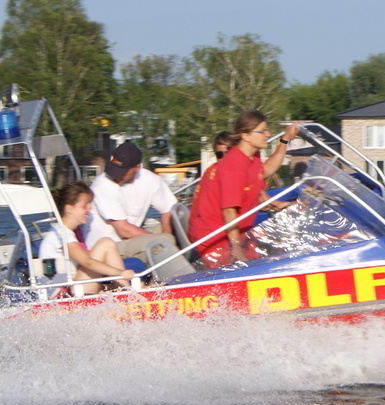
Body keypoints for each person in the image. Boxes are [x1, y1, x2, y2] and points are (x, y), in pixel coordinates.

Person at [188, 110, 298, 268]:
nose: (268, 134)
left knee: (276, 253)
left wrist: (285, 139)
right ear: (245, 136)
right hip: (217, 240)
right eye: (262, 131)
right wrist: (237, 248)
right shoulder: (233, 165)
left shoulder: (251, 160)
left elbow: (267, 170)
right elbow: (229, 211)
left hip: (238, 235)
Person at [84, 142, 191, 280]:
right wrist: (166, 242)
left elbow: (167, 210)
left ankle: (192, 268)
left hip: (128, 240)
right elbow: (124, 230)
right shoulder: (102, 185)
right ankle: (181, 280)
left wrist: (168, 236)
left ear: (137, 167)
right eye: (114, 170)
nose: (117, 176)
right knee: (164, 240)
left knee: (175, 229)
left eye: (122, 172)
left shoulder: (148, 179)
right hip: (109, 247)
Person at [39, 181, 135, 295]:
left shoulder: (66, 232)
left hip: (69, 289)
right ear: (69, 209)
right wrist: (121, 273)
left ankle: (126, 291)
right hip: (62, 296)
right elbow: (87, 263)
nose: (89, 209)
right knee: (106, 244)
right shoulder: (61, 233)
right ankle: (129, 294)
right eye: (85, 206)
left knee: (106, 245)